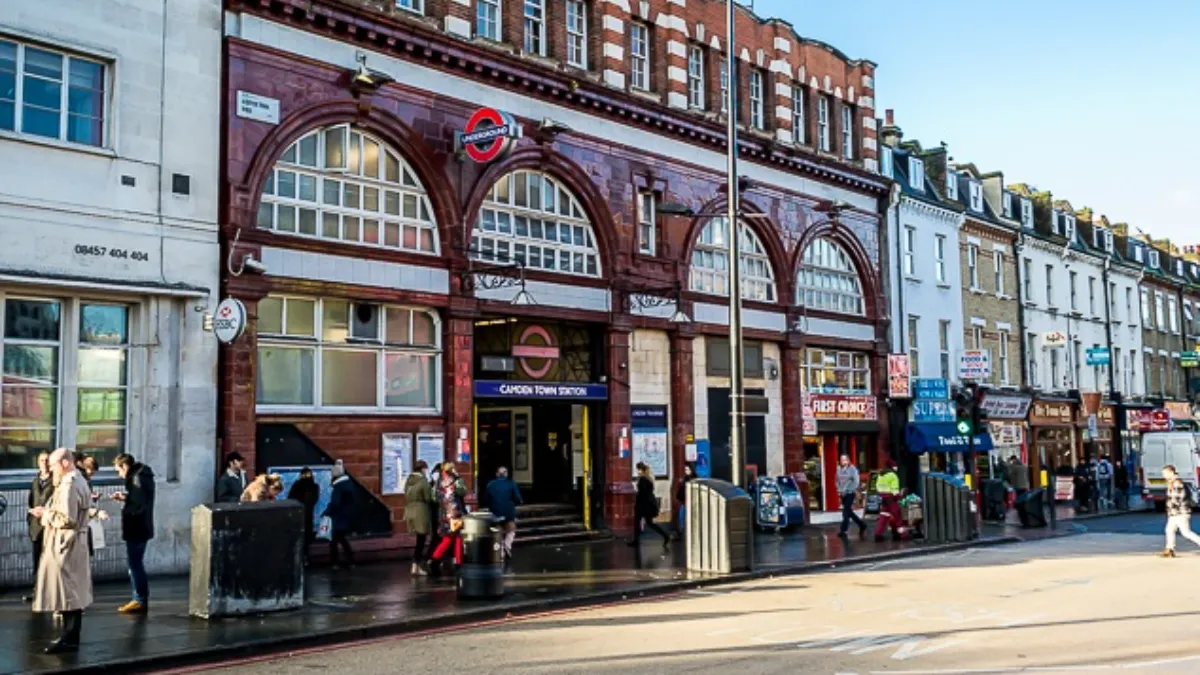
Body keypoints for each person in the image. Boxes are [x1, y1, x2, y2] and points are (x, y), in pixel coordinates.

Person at [30, 448, 93, 654]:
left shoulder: (69, 484)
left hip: (66, 543)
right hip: (76, 542)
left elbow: (67, 519)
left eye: (55, 465)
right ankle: (70, 636)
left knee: (68, 591)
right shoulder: (79, 480)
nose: (52, 469)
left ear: (65, 463)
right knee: (73, 589)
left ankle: (69, 638)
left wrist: (44, 514)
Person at [112, 453, 155, 614]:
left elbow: (139, 505)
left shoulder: (136, 479)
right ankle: (140, 598)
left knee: (134, 564)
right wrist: (126, 498)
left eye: (119, 470)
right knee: (136, 563)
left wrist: (128, 509)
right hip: (143, 526)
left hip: (137, 527)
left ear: (124, 466)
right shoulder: (143, 476)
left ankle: (139, 599)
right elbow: (139, 500)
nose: (119, 474)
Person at [24, 451, 54, 603]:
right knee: (37, 560)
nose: (44, 463)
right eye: (42, 460)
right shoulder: (36, 480)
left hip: (50, 526)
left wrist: (46, 513)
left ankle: (49, 591)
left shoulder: (56, 481)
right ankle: (37, 590)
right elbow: (31, 501)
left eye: (47, 460)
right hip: (36, 527)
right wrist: (31, 512)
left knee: (50, 560)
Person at [430, 463, 468, 574]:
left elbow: (434, 497)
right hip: (455, 513)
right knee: (457, 539)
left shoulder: (438, 483)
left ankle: (434, 561)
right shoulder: (457, 481)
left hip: (443, 514)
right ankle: (457, 563)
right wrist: (457, 479)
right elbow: (463, 491)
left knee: (448, 538)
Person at [483, 466, 523, 567]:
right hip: (508, 511)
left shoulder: (490, 485)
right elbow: (518, 498)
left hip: (495, 511)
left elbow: (486, 499)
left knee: (498, 531)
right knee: (511, 529)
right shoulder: (511, 484)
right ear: (506, 474)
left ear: (497, 474)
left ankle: (500, 552)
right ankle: (507, 545)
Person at [1159, 464, 1200, 558]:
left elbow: (1177, 498)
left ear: (1171, 472)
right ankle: (1169, 549)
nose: (1163, 475)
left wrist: (1171, 509)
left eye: (1165, 473)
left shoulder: (1177, 483)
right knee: (1169, 530)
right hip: (1175, 512)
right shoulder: (1172, 482)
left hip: (1180, 512)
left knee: (1186, 533)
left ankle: (1170, 549)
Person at [403, 460, 435, 576]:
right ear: (422, 469)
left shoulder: (409, 480)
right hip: (421, 512)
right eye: (426, 469)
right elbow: (428, 497)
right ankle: (416, 566)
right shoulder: (423, 481)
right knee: (421, 541)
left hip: (410, 511)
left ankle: (415, 567)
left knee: (419, 540)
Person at [629, 464, 670, 549]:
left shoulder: (643, 479)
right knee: (649, 523)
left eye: (638, 469)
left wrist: (638, 501)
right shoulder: (648, 479)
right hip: (648, 504)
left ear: (641, 470)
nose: (637, 471)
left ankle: (636, 540)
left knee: (639, 522)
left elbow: (643, 493)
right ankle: (665, 535)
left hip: (644, 505)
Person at [324, 463, 356, 569]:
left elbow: (335, 503)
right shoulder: (349, 484)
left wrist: (327, 512)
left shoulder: (338, 487)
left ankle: (335, 563)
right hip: (348, 515)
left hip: (338, 517)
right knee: (342, 539)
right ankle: (350, 562)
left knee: (334, 541)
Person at [287, 468, 320, 565]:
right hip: (308, 515)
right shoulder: (314, 486)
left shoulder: (297, 485)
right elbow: (314, 500)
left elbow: (291, 497)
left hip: (299, 515)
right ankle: (305, 557)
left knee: (299, 537)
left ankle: (299, 558)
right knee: (306, 537)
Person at [835, 454, 867, 538]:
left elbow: (856, 482)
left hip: (850, 493)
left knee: (845, 512)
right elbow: (837, 480)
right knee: (849, 511)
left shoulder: (853, 469)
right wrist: (839, 490)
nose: (843, 461)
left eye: (845, 460)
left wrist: (849, 490)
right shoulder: (838, 469)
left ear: (848, 460)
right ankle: (862, 524)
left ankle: (843, 530)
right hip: (842, 493)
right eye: (842, 460)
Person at [874, 461, 904, 542]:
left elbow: (877, 487)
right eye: (895, 466)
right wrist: (899, 497)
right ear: (892, 467)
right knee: (897, 515)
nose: (896, 468)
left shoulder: (880, 474)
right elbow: (895, 490)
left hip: (883, 498)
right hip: (891, 498)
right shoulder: (893, 475)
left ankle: (878, 534)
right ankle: (902, 534)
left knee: (884, 515)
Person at [674, 463, 696, 538]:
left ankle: (684, 533)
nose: (686, 471)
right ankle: (681, 533)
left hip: (690, 502)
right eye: (685, 470)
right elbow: (680, 489)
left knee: (685, 517)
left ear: (691, 470)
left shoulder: (695, 479)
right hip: (684, 502)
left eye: (687, 469)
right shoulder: (684, 479)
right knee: (681, 518)